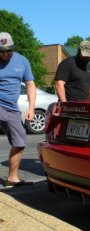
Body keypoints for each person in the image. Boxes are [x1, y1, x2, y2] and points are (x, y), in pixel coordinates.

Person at [0, 32, 36, 187]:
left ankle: (12, 178)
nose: (6, 54)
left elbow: (30, 85)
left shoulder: (22, 61)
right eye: (2, 51)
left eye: (9, 50)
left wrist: (31, 108)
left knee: (20, 141)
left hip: (12, 109)